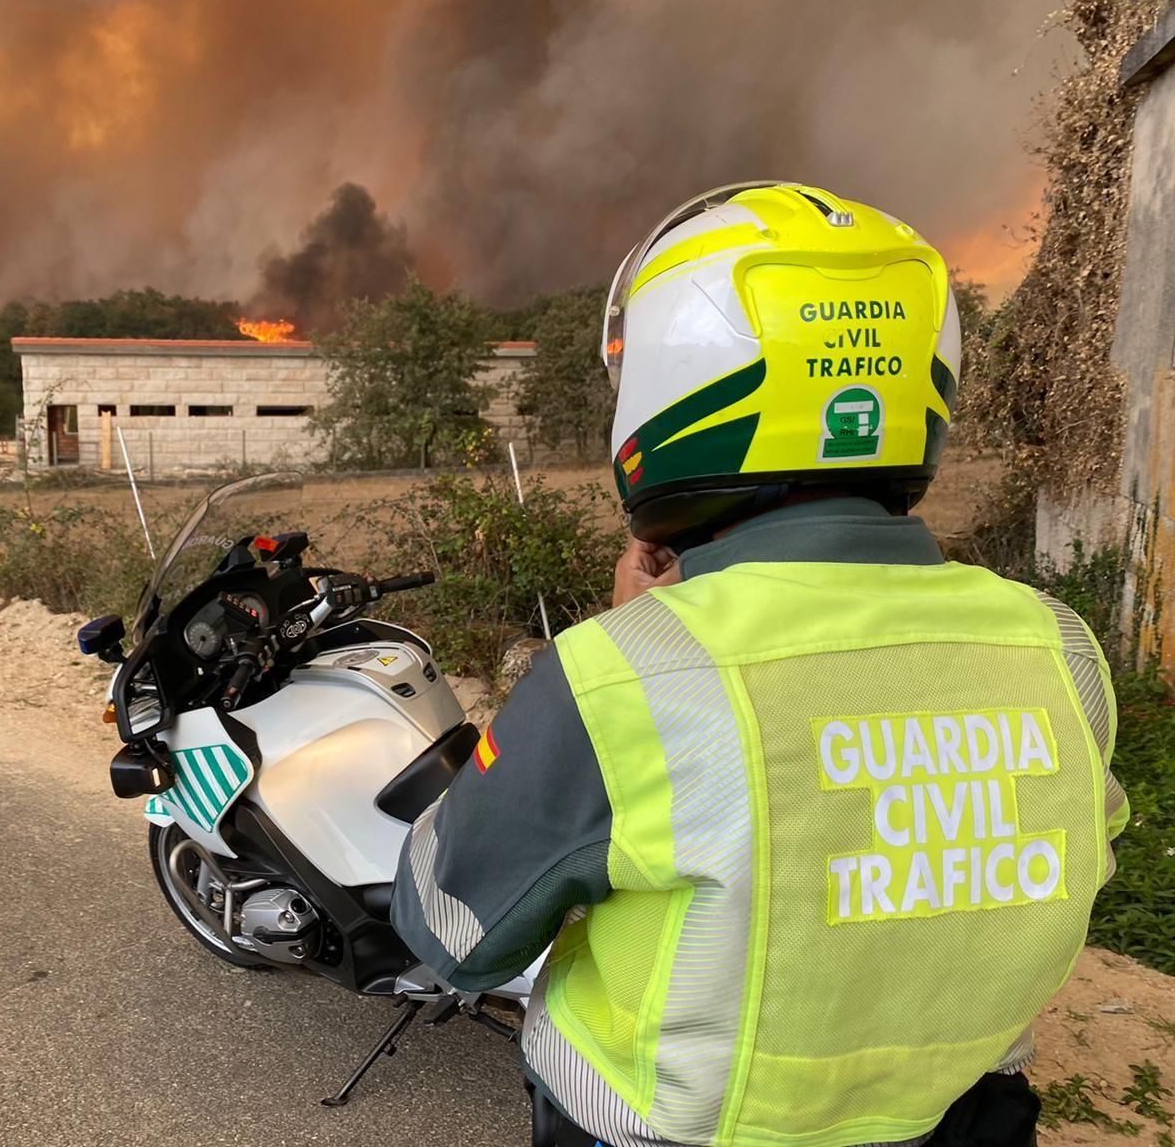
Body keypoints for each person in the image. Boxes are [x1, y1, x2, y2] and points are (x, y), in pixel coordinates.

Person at [391, 183, 1128, 1147]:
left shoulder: (623, 679)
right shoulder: (1058, 647)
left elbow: (453, 932)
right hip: (964, 1122)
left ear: (670, 392)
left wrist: (630, 647)